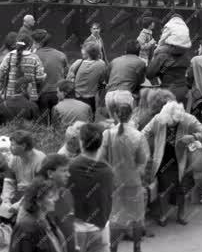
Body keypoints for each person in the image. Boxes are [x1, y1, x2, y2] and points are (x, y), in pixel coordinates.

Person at [142, 99, 202, 226]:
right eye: (170, 124)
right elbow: (144, 133)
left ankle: (181, 214)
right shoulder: (158, 119)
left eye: (176, 123)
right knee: (163, 188)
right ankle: (163, 214)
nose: (173, 126)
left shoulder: (188, 119)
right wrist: (145, 149)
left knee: (181, 187)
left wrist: (193, 137)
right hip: (162, 158)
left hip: (183, 158)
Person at [100, 102, 149, 252]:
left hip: (113, 183)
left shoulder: (107, 134)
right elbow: (143, 161)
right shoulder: (138, 135)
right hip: (133, 182)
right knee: (136, 216)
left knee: (114, 218)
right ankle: (137, 247)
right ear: (131, 115)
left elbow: (101, 158)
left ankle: (113, 248)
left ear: (115, 115)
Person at [69, 123, 114, 252]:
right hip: (100, 228)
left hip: (76, 229)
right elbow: (108, 199)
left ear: (81, 142)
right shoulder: (107, 171)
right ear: (100, 143)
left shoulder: (70, 168)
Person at [9, 178, 66, 252]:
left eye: (55, 196)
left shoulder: (47, 220)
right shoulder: (25, 227)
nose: (55, 199)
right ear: (38, 201)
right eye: (50, 197)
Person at [36, 154, 75, 252]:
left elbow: (70, 225)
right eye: (64, 171)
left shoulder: (66, 193)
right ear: (50, 173)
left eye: (68, 170)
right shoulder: (39, 200)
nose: (68, 175)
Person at [2, 131, 46, 208]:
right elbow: (9, 181)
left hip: (38, 197)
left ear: (23, 146)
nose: (10, 148)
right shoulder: (14, 158)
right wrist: (6, 199)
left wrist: (20, 204)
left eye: (13, 145)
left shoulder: (40, 160)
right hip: (20, 194)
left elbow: (39, 189)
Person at [32, 30, 68, 123]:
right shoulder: (61, 55)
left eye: (34, 42)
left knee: (43, 123)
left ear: (38, 43)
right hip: (58, 93)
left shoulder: (33, 56)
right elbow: (66, 73)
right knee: (56, 122)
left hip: (42, 94)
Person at [0, 34, 45, 104]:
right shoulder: (35, 58)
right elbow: (40, 78)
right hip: (29, 97)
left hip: (10, 96)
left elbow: (1, 74)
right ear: (29, 45)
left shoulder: (9, 56)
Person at [67, 41, 107, 119]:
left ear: (87, 52)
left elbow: (68, 79)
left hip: (76, 97)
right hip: (91, 99)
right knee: (90, 120)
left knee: (76, 120)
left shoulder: (77, 63)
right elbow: (102, 80)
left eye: (83, 49)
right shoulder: (101, 64)